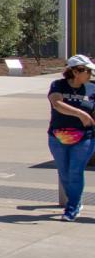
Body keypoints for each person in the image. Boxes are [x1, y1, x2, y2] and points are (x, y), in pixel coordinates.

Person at [47, 55, 95, 222]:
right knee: (64, 171)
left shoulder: (92, 89)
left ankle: (72, 207)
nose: (90, 75)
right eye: (87, 71)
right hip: (58, 136)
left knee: (75, 170)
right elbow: (57, 103)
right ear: (76, 71)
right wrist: (79, 113)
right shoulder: (57, 85)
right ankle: (75, 199)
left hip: (85, 137)